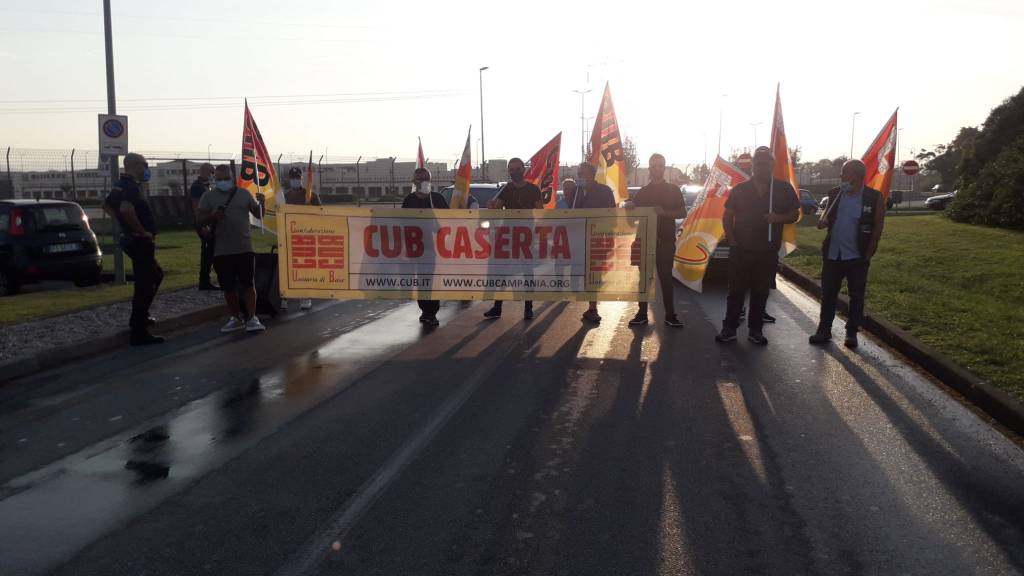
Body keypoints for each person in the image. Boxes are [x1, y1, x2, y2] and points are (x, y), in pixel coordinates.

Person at [715, 146, 800, 345]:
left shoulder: (783, 189)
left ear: (773, 165)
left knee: (760, 292)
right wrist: (732, 241)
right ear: (753, 166)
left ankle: (756, 330)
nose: (763, 168)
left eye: (767, 163)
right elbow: (727, 215)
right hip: (741, 250)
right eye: (759, 164)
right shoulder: (740, 189)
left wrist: (778, 217)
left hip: (767, 251)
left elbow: (795, 214)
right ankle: (729, 328)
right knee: (736, 291)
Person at [809, 159, 886, 348]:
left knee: (856, 296)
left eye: (845, 172)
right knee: (828, 294)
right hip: (833, 255)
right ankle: (824, 330)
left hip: (857, 256)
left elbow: (877, 227)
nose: (841, 176)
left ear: (857, 176)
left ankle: (852, 333)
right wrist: (822, 221)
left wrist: (868, 253)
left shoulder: (873, 198)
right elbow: (824, 215)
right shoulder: (836, 194)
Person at [196, 164, 267, 334]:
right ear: (214, 179)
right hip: (221, 250)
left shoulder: (243, 194)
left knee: (248, 284)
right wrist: (213, 217)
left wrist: (261, 202)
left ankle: (252, 317)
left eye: (225, 178)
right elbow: (198, 220)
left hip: (244, 247)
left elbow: (259, 215)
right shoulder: (208, 196)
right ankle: (236, 318)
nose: (222, 182)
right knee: (228, 287)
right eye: (219, 179)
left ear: (232, 178)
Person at [103, 152, 164, 346]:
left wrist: (124, 224)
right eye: (144, 165)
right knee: (145, 284)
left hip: (133, 239)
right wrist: (140, 230)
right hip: (140, 241)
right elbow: (126, 210)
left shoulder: (120, 186)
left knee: (156, 275)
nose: (146, 169)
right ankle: (138, 330)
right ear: (133, 165)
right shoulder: (130, 187)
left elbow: (106, 205)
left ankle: (141, 317)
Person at [625, 153, 687, 327]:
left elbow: (683, 212)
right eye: (654, 165)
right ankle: (642, 314)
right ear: (650, 168)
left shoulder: (673, 190)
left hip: (665, 241)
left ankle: (670, 315)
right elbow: (632, 220)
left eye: (660, 165)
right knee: (644, 279)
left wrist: (665, 213)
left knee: (666, 279)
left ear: (664, 167)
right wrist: (629, 208)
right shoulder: (642, 192)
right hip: (644, 241)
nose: (657, 168)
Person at [483, 157, 545, 320]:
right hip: (508, 235)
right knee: (501, 271)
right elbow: (497, 209)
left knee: (527, 272)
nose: (514, 172)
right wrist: (492, 207)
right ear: (509, 172)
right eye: (511, 169)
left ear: (523, 170)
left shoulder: (533, 189)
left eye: (517, 169)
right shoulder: (506, 189)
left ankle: (528, 307)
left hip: (526, 237)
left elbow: (540, 212)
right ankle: (497, 307)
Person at [570, 162, 617, 323]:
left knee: (594, 273)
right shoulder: (576, 192)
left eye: (582, 174)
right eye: (578, 173)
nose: (579, 177)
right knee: (581, 272)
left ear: (592, 175)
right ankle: (584, 299)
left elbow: (612, 214)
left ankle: (592, 308)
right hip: (579, 238)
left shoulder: (604, 191)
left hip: (597, 239)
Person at [402, 167, 449, 326]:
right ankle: (424, 310)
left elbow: (449, 223)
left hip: (434, 248)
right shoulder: (409, 200)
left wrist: (437, 217)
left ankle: (432, 312)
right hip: (415, 249)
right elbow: (403, 223)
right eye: (420, 179)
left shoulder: (437, 199)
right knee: (421, 282)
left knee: (431, 281)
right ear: (414, 182)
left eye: (426, 179)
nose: (423, 182)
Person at [280, 166, 320, 312]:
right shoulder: (285, 196)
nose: (295, 180)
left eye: (297, 177)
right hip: (289, 236)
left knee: (304, 267)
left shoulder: (311, 196)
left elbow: (321, 215)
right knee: (286, 267)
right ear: (289, 179)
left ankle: (305, 296)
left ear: (302, 178)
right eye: (293, 178)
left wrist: (311, 210)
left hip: (306, 237)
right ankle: (284, 297)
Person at [190, 163, 219, 291]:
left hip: (208, 221)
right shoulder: (197, 187)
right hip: (204, 223)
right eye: (212, 172)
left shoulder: (205, 186)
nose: (213, 175)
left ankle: (207, 280)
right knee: (207, 252)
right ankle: (204, 281)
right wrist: (203, 226)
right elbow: (196, 207)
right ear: (204, 171)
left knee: (211, 251)